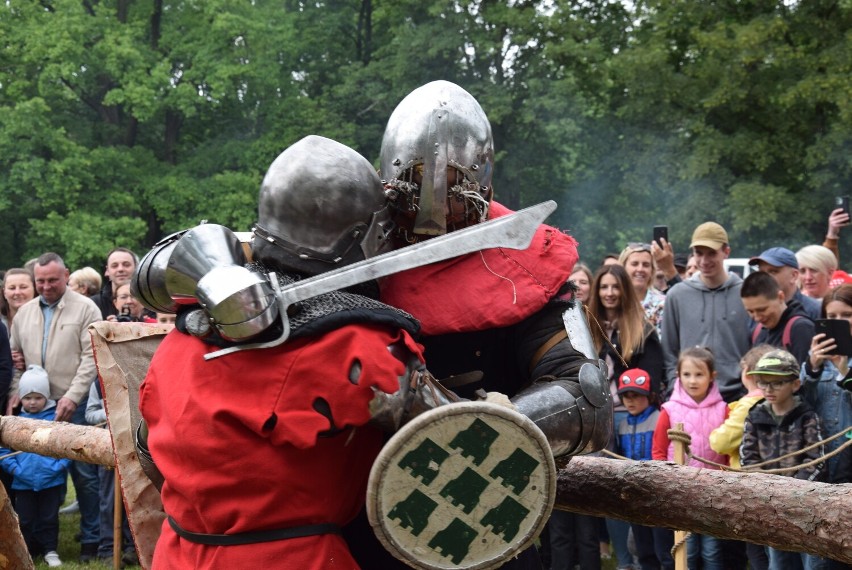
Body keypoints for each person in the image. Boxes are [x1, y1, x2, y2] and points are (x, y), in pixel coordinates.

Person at [136, 136, 468, 569]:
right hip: (294, 558)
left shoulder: (189, 332)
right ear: (364, 234)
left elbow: (149, 450)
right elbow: (462, 447)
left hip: (180, 552)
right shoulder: (359, 346)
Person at [374, 79, 610, 569]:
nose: (434, 206)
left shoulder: (528, 261)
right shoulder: (360, 251)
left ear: (481, 185)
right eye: (418, 184)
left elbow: (586, 393)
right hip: (372, 511)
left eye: (452, 187)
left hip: (493, 515)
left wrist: (488, 430)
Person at [7, 252, 103, 561]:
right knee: (37, 475)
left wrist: (72, 396)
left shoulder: (86, 308)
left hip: (74, 402)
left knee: (85, 475)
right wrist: (15, 394)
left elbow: (92, 358)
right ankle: (40, 544)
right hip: (35, 407)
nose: (46, 286)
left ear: (66, 275)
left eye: (52, 280)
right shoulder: (24, 314)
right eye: (41, 281)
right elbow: (17, 359)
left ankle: (92, 541)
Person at [741, 349, 828, 569]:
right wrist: (769, 491)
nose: (768, 389)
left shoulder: (808, 416)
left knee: (812, 563)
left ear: (795, 384)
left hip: (808, 508)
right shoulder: (755, 416)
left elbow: (816, 459)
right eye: (762, 382)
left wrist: (794, 491)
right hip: (771, 507)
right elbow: (748, 459)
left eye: (776, 383)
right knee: (778, 562)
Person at [652, 346, 728, 570]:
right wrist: (663, 481)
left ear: (712, 376)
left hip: (714, 492)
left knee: (712, 550)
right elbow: (658, 450)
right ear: (678, 375)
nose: (692, 380)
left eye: (699, 374)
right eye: (687, 374)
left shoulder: (724, 409)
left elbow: (729, 451)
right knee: (688, 549)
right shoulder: (669, 410)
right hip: (680, 491)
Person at [661, 221, 751, 403]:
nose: (704, 261)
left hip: (736, 396)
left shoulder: (746, 293)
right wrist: (675, 387)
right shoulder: (677, 295)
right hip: (690, 397)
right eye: (699, 253)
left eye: (711, 253)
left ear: (726, 252)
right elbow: (669, 350)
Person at [709, 344, 775, 570]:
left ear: (746, 372)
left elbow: (721, 442)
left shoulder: (748, 404)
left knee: (757, 550)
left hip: (749, 485)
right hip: (775, 482)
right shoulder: (778, 400)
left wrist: (715, 431)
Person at [0, 365, 70, 567]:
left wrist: (56, 468)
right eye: (28, 397)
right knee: (25, 520)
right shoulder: (14, 422)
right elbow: (4, 450)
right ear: (20, 397)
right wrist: (16, 470)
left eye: (38, 397)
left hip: (51, 481)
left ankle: (50, 550)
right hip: (23, 483)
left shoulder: (55, 420)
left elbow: (68, 448)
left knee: (49, 518)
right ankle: (26, 551)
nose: (32, 402)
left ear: (46, 397)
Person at [614, 368, 673, 570]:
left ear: (649, 396)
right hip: (634, 493)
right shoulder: (622, 425)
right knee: (643, 549)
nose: (630, 401)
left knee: (664, 549)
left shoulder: (659, 419)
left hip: (656, 492)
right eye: (626, 396)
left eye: (636, 396)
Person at [801, 284, 852, 486]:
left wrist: (845, 373)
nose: (839, 322)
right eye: (831, 316)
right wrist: (812, 367)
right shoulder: (817, 357)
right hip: (818, 455)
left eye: (847, 314)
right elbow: (800, 403)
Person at [86, 378, 138, 566]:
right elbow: (89, 414)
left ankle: (134, 547)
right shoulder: (97, 384)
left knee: (133, 500)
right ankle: (108, 548)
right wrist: (108, 413)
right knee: (109, 501)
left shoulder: (131, 376)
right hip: (108, 449)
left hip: (133, 448)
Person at [740, 271, 815, 366]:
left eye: (762, 309)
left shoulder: (801, 329)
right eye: (750, 311)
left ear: (780, 297)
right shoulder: (758, 331)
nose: (757, 318)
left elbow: (807, 376)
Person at [749, 247, 821, 320]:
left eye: (773, 271)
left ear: (794, 275)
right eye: (761, 272)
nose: (764, 278)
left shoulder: (814, 310)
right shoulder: (755, 310)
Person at [618, 242, 665, 336]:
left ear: (652, 270)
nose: (640, 269)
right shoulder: (612, 299)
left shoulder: (663, 304)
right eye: (634, 264)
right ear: (623, 267)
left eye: (646, 265)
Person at [91, 248, 138, 319]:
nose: (120, 269)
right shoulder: (94, 304)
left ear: (137, 268)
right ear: (107, 271)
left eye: (126, 265)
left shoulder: (151, 302)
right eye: (114, 266)